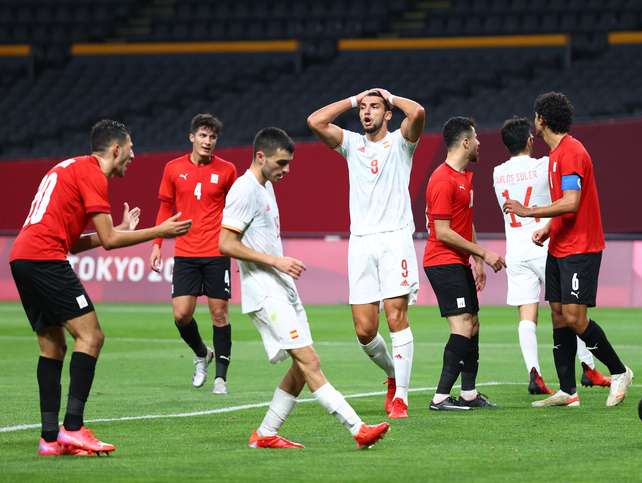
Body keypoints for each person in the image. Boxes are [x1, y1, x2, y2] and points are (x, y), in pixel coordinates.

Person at [9, 120, 192, 456]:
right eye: (131, 148)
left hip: (22, 257)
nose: (134, 156)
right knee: (91, 336)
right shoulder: (93, 173)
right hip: (45, 258)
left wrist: (120, 228)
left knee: (52, 346)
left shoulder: (69, 168)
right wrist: (159, 231)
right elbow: (109, 241)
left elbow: (76, 243)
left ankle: (50, 439)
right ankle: (74, 428)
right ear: (116, 149)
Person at [218, 127, 390, 449]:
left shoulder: (264, 186)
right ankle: (357, 428)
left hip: (280, 286)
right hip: (264, 290)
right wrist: (276, 261)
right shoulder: (244, 190)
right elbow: (225, 242)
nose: (287, 170)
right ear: (260, 156)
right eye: (281, 163)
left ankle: (266, 433)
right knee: (309, 361)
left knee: (301, 368)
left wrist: (279, 266)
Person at [503, 92, 633, 408]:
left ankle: (619, 371)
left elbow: (572, 203)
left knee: (575, 317)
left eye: (536, 116)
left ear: (542, 120)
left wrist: (529, 211)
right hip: (560, 246)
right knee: (559, 316)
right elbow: (567, 205)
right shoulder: (557, 154)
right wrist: (548, 228)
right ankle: (567, 391)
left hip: (581, 248)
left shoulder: (571, 153)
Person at [307, 88, 425, 418]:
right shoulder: (351, 144)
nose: (366, 112)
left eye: (374, 107)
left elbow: (416, 114)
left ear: (387, 114)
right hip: (360, 241)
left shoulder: (402, 143)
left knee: (396, 316)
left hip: (394, 240)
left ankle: (401, 396)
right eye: (363, 108)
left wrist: (392, 96)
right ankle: (391, 374)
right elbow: (315, 121)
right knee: (364, 330)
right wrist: (350, 99)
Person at [493, 116, 610, 395]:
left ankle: (534, 373)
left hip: (515, 249)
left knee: (526, 314)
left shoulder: (497, 172)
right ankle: (588, 367)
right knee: (570, 310)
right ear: (529, 140)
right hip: (544, 243)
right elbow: (565, 193)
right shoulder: (544, 164)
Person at [149, 114, 237, 395]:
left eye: (212, 137)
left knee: (219, 314)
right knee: (181, 314)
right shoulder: (173, 169)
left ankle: (221, 379)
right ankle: (202, 353)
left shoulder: (227, 170)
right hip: (185, 252)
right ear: (192, 137)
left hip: (216, 251)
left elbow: (237, 210)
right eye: (203, 136)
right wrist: (157, 244)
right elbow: (165, 208)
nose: (207, 141)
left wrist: (236, 245)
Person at [424, 116, 505, 411]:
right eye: (477, 137)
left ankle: (468, 393)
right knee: (461, 326)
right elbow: (442, 231)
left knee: (473, 324)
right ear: (466, 142)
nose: (480, 143)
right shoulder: (442, 179)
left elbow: (464, 222)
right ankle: (440, 397)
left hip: (458, 261)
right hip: (442, 261)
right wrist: (484, 253)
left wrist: (476, 260)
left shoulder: (464, 177)